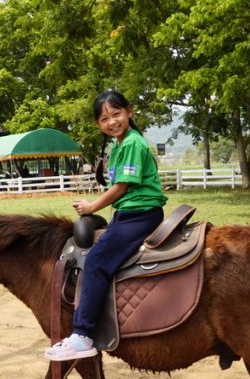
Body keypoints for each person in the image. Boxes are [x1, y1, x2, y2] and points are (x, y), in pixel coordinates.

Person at [44, 90, 167, 361]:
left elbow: (122, 187)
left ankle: (82, 334)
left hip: (140, 214)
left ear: (129, 112)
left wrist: (91, 208)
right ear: (98, 124)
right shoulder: (119, 144)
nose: (112, 121)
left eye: (116, 114)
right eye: (104, 118)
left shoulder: (132, 143)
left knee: (97, 261)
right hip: (128, 213)